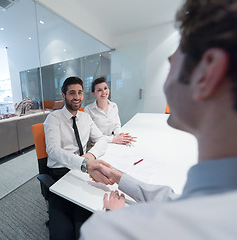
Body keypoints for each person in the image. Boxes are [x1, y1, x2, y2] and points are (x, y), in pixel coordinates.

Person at [80, 0, 237, 239]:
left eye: (172, 60)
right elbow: (177, 201)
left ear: (208, 72)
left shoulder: (108, 231)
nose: (167, 72)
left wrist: (112, 216)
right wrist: (120, 177)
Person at [44, 76, 112, 240]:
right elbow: (53, 150)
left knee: (85, 229)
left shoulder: (85, 118)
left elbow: (102, 139)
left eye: (80, 93)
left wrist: (90, 156)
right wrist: (84, 164)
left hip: (81, 172)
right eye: (72, 93)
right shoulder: (53, 118)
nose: (77, 97)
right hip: (60, 174)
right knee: (63, 235)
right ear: (63, 96)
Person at [84, 77, 136, 145]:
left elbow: (116, 126)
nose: (104, 92)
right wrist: (114, 139)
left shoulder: (113, 106)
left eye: (105, 88)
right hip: (96, 145)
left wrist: (121, 136)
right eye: (99, 90)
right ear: (94, 93)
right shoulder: (88, 110)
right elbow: (94, 136)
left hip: (112, 142)